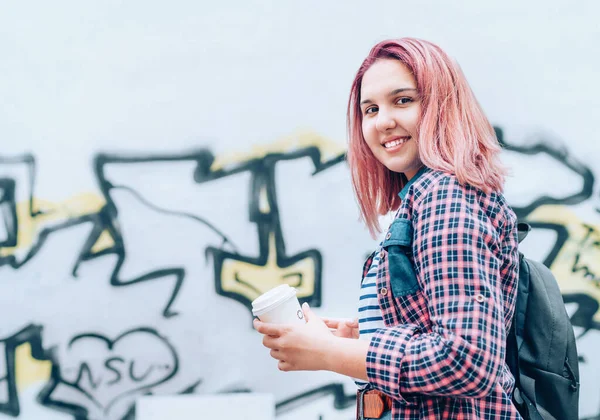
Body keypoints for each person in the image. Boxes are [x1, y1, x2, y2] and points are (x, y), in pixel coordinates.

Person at [253, 37, 521, 420]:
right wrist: (357, 343)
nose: (383, 121)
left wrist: (329, 354)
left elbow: (467, 359)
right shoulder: (422, 199)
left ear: (442, 105)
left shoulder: (445, 195)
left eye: (403, 100)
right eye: (370, 109)